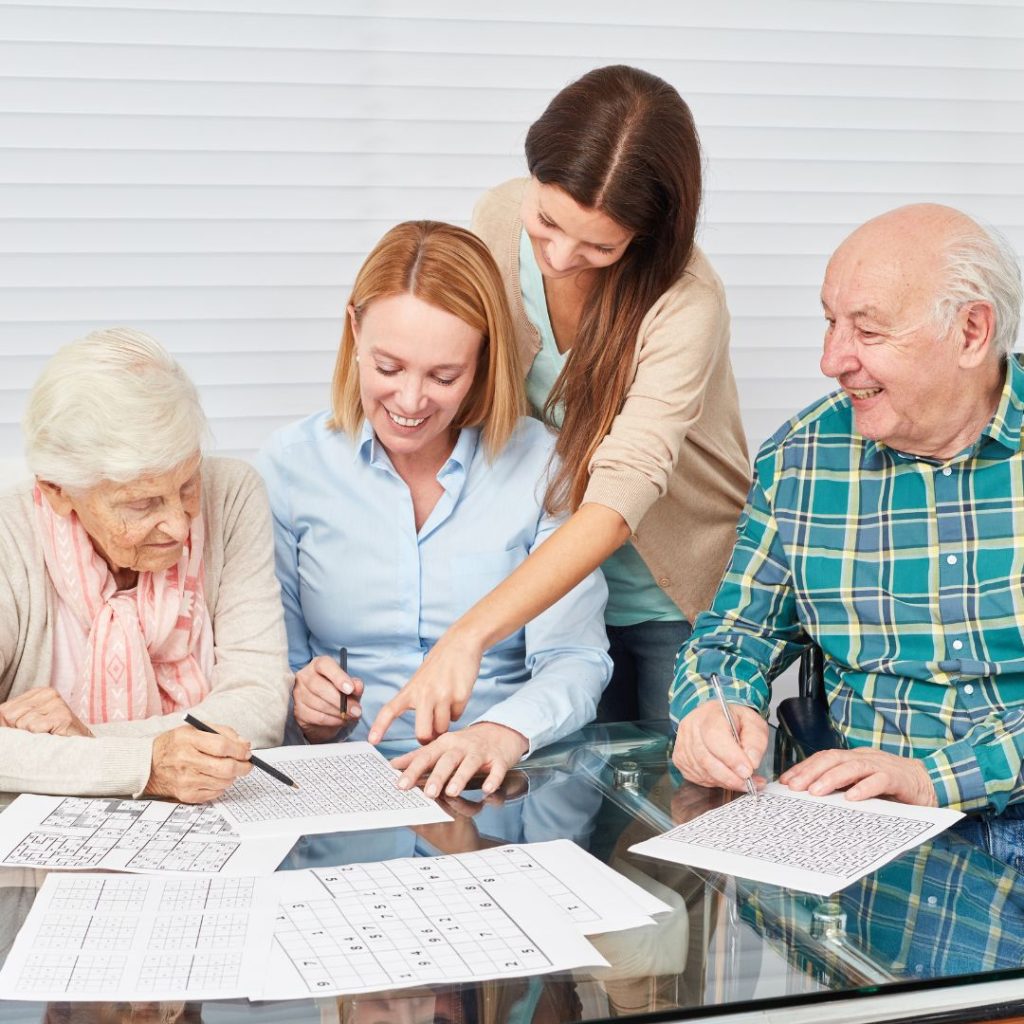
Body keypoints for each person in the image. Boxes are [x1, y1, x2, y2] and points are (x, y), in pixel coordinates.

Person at [368, 64, 750, 744]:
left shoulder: (688, 301)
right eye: (547, 221)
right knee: (567, 812)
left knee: (676, 816)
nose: (561, 256)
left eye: (600, 245)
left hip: (670, 592)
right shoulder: (497, 217)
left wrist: (471, 631)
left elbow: (622, 490)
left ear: (648, 234)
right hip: (546, 592)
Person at [671, 205, 1024, 847]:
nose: (832, 359)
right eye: (831, 322)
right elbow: (734, 633)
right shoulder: (803, 456)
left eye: (868, 331)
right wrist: (712, 707)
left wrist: (933, 779)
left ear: (972, 331)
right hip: (864, 833)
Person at [258, 220, 612, 800]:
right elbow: (276, 671)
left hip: (502, 788)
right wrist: (306, 704)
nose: (410, 401)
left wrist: (499, 733)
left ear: (482, 361)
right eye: (388, 368)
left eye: (444, 376)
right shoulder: (290, 468)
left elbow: (574, 659)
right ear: (353, 329)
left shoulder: (542, 465)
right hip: (345, 792)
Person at [0, 328, 290, 802]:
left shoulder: (233, 494)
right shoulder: (7, 534)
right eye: (142, 504)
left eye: (188, 483)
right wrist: (145, 766)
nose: (179, 525)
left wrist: (86, 747)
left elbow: (258, 705)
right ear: (57, 491)